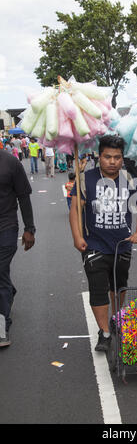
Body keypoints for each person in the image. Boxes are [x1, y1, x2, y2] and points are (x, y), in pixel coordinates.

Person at [69, 135, 137, 352]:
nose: (112, 161)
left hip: (122, 244)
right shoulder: (86, 178)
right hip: (94, 245)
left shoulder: (131, 179)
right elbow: (75, 210)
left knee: (118, 287)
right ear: (99, 156)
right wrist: (78, 237)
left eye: (117, 157)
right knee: (98, 289)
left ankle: (115, 317)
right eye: (107, 157)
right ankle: (104, 332)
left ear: (122, 158)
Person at [0, 148, 36, 347]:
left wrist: (29, 229)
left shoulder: (10, 162)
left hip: (6, 227)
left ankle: (1, 327)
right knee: (1, 276)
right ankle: (8, 290)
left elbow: (23, 196)